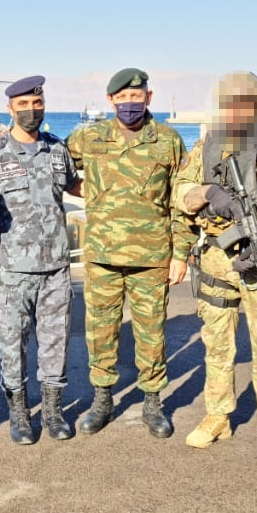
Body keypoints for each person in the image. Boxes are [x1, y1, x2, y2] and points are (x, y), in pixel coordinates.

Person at [172, 72, 257, 467]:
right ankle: (217, 416)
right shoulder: (206, 146)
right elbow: (181, 192)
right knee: (216, 345)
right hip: (216, 257)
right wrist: (208, 193)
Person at [65, 68, 192, 438]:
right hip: (102, 253)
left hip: (151, 256)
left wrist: (181, 253)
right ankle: (102, 399)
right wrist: (83, 188)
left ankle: (153, 402)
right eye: (122, 98)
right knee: (100, 330)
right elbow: (56, 165)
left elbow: (181, 199)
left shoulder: (168, 141)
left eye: (136, 97)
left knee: (151, 332)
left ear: (149, 98)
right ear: (111, 101)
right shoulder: (88, 137)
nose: (130, 104)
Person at [0, 75, 82, 444]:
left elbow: (76, 187)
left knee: (55, 343)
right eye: (23, 105)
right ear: (10, 108)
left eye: (37, 103)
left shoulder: (57, 149)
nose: (31, 110)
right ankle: (19, 414)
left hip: (56, 267)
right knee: (11, 345)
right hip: (12, 269)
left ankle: (52, 411)